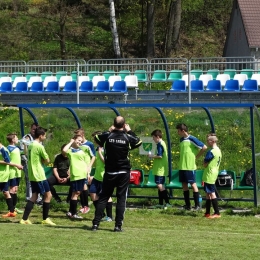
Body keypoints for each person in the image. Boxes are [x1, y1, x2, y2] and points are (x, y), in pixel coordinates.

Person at [91, 116, 142, 232]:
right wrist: (129, 130)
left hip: (110, 172)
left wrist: (109, 131)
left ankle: (95, 224)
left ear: (113, 124)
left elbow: (97, 137)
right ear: (124, 125)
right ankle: (118, 226)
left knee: (103, 197)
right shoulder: (127, 137)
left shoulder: (107, 136)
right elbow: (138, 141)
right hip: (123, 172)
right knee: (121, 198)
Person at [20, 127, 56, 225]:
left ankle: (24, 219)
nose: (45, 137)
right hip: (39, 175)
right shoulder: (39, 146)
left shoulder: (31, 144)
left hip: (32, 174)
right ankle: (45, 218)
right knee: (48, 195)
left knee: (34, 196)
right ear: (40, 136)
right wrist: (44, 160)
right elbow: (47, 160)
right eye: (44, 135)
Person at [176, 123, 207, 210]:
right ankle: (188, 205)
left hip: (190, 166)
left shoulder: (192, 139)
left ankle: (197, 205)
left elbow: (204, 147)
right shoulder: (181, 140)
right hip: (182, 166)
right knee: (184, 184)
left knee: (193, 184)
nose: (177, 132)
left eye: (178, 131)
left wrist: (196, 156)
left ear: (183, 131)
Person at [63, 134, 90, 220]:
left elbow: (85, 163)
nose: (79, 142)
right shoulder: (70, 151)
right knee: (76, 193)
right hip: (76, 174)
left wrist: (87, 173)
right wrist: (70, 142)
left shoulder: (81, 150)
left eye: (81, 141)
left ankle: (71, 212)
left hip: (82, 175)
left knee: (76, 193)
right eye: (78, 140)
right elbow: (64, 150)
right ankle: (73, 213)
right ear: (74, 139)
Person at [89, 131, 113, 222]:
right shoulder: (98, 148)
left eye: (96, 138)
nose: (95, 141)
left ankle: (109, 216)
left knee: (107, 196)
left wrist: (99, 153)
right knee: (92, 192)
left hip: (104, 176)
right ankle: (101, 213)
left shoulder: (107, 148)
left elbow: (107, 162)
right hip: (97, 176)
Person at [20, 122, 43, 205]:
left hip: (37, 164)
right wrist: (28, 162)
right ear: (30, 129)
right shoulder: (26, 138)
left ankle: (37, 197)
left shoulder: (38, 139)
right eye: (33, 129)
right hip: (28, 163)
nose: (34, 131)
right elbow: (23, 152)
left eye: (36, 130)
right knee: (30, 180)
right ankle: (30, 198)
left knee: (38, 180)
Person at [74, 128, 96, 214]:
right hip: (78, 168)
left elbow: (93, 156)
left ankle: (85, 206)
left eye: (78, 135)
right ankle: (83, 206)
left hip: (85, 168)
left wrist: (89, 166)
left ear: (82, 135)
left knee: (84, 185)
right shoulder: (76, 144)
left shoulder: (89, 144)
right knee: (81, 186)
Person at [149, 129, 171, 209]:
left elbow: (160, 155)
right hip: (161, 168)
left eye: (153, 137)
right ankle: (161, 203)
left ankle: (167, 203)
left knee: (160, 185)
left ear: (157, 137)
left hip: (160, 169)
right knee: (160, 186)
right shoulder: (163, 143)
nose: (153, 139)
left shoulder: (159, 144)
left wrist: (151, 156)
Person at [0, 141, 23, 218]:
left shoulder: (3, 150)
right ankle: (12, 211)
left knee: (7, 192)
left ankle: (12, 210)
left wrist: (16, 165)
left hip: (2, 175)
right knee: (6, 192)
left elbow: (7, 161)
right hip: (3, 175)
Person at [202, 133, 222, 218]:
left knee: (211, 193)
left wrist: (204, 164)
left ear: (213, 141)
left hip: (209, 173)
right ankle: (207, 212)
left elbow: (205, 163)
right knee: (207, 193)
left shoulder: (211, 151)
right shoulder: (218, 150)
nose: (207, 142)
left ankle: (217, 213)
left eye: (208, 141)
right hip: (214, 172)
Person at [6, 133, 24, 214]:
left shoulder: (17, 148)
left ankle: (14, 207)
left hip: (18, 172)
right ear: (13, 140)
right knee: (12, 190)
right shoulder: (8, 149)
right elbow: (7, 162)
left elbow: (25, 153)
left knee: (16, 190)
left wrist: (25, 145)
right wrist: (16, 165)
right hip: (12, 172)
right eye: (16, 138)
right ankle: (11, 209)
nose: (18, 139)